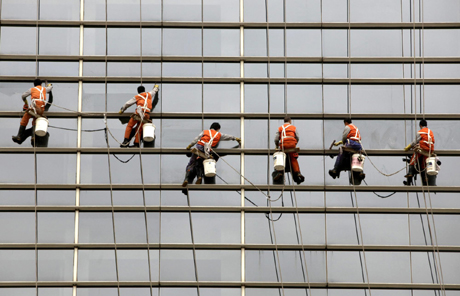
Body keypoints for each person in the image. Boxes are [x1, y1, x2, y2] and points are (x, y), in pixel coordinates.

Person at [182, 122, 241, 186]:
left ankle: (186, 179)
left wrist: (190, 145)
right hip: (207, 151)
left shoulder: (205, 132)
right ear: (218, 129)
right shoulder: (218, 134)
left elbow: (196, 138)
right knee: (200, 164)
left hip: (199, 147)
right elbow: (227, 137)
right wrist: (235, 138)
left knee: (191, 164)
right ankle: (199, 177)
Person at [12, 79, 53, 144]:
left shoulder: (32, 89)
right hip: (41, 109)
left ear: (34, 84)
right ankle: (33, 137)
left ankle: (19, 135)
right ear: (41, 84)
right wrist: (48, 85)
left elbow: (23, 96)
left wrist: (25, 101)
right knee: (35, 121)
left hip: (34, 107)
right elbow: (50, 88)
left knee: (24, 119)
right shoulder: (44, 89)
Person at [274, 117, 305, 184]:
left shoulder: (280, 128)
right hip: (292, 144)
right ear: (290, 121)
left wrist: (277, 145)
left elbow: (276, 139)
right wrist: (295, 143)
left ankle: (280, 172)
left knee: (282, 158)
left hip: (284, 145)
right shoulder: (294, 128)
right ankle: (297, 172)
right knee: (293, 158)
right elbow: (297, 137)